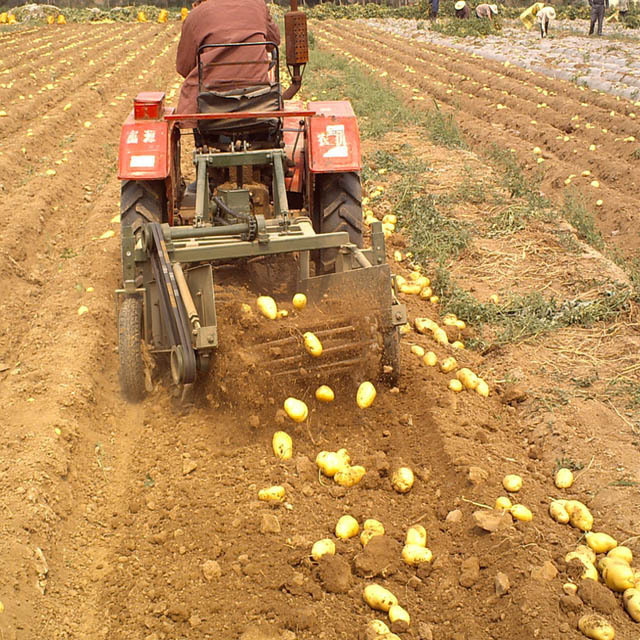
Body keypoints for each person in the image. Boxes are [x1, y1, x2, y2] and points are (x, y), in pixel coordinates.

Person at [176, 0, 281, 117]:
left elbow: (183, 67)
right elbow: (273, 41)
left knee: (196, 95)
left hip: (211, 100)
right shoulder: (258, 5)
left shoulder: (196, 15)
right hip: (258, 95)